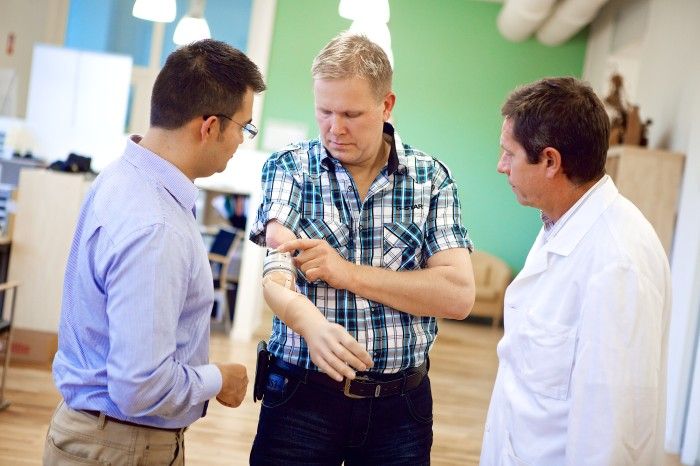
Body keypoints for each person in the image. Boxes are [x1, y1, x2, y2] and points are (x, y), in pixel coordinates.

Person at [248, 32, 476, 465]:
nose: (336, 128)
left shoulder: (431, 179)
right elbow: (277, 273)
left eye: (351, 113)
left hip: (400, 408)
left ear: (386, 106)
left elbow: (458, 295)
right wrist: (311, 325)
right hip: (300, 396)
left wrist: (344, 272)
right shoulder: (289, 168)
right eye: (325, 111)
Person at [44, 39, 266, 465]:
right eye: (244, 126)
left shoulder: (121, 176)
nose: (241, 139)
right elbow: (140, 386)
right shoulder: (155, 227)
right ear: (209, 127)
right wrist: (217, 379)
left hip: (97, 434)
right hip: (121, 445)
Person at [480, 77, 671, 465]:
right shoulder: (559, 222)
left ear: (550, 161)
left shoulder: (618, 262)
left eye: (509, 154)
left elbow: (613, 433)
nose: (501, 167)